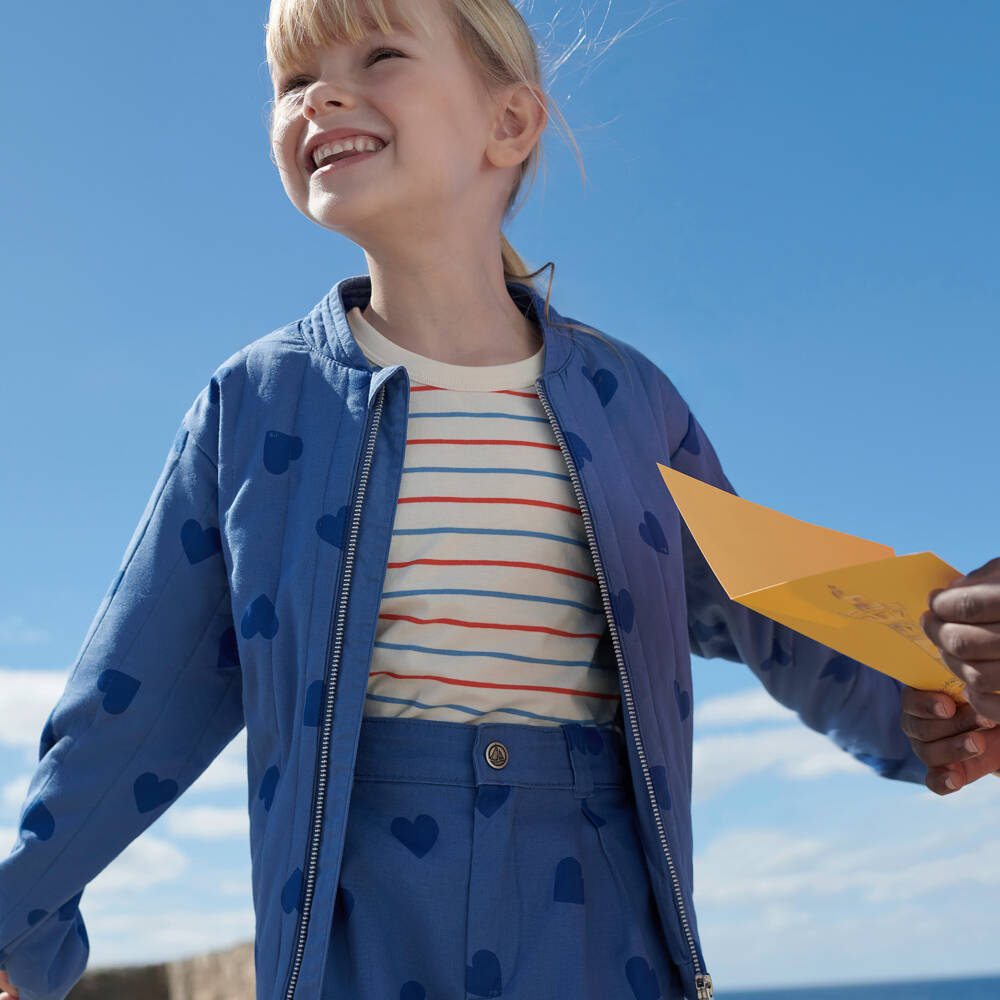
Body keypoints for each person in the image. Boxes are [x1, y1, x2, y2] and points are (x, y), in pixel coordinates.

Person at [1, 2, 995, 999]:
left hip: (605, 915)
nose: (320, 94)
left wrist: (936, 694)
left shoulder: (631, 405)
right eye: (291, 81)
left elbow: (774, 608)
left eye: (378, 53)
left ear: (509, 125)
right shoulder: (257, 405)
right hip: (363, 921)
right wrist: (20, 913)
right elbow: (133, 697)